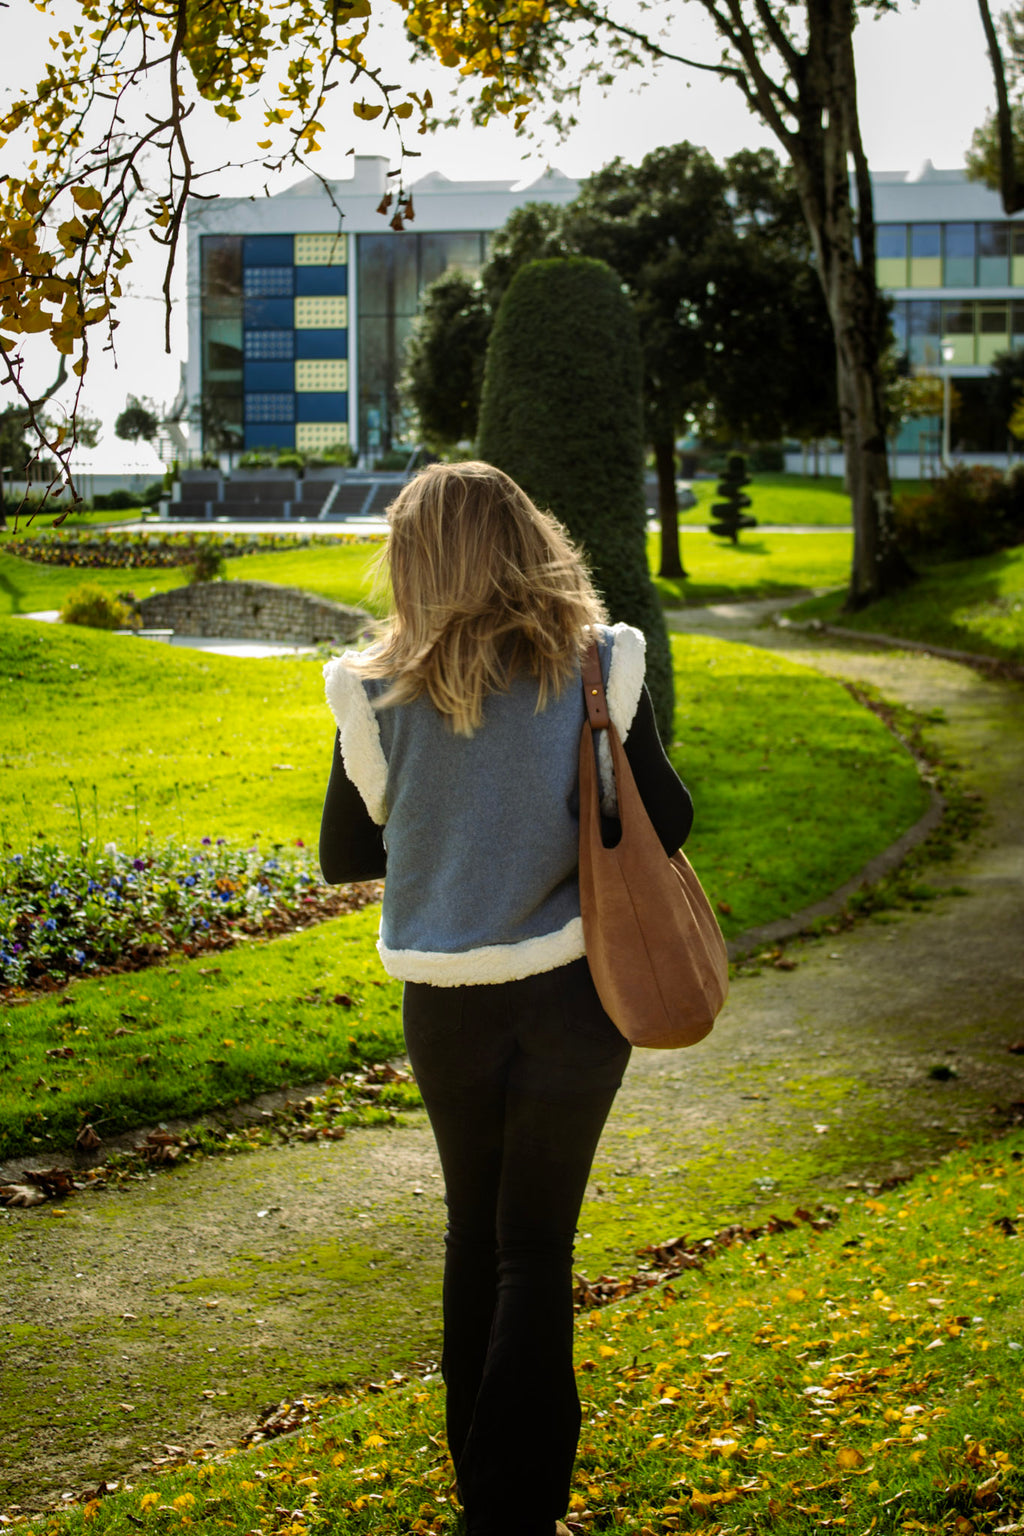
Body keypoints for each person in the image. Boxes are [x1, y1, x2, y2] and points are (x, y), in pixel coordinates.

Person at [319, 461, 693, 1536]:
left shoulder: (370, 690)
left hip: (446, 1001)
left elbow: (345, 855)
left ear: (417, 558)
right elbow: (665, 823)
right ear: (530, 537)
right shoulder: (600, 666)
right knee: (538, 1248)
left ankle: (480, 1491)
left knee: (471, 1237)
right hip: (579, 990)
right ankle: (517, 1508)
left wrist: (442, 818)